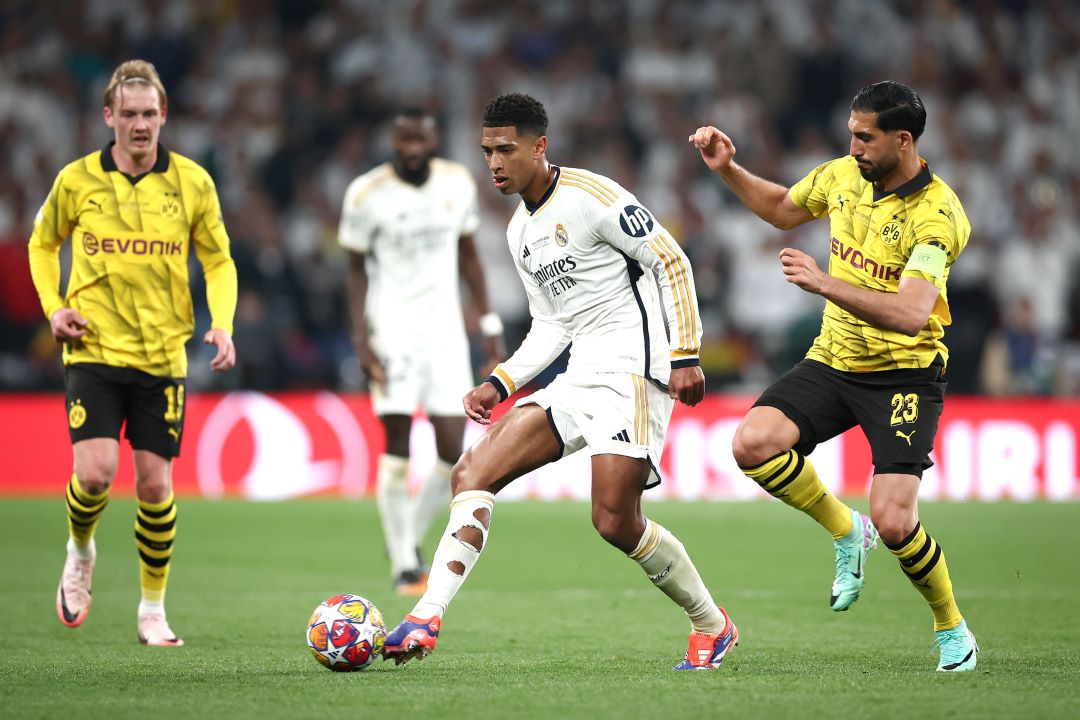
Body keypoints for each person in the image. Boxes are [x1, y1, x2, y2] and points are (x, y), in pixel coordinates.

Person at [382, 93, 738, 671]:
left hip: (632, 372)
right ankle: (426, 614)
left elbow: (671, 260)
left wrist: (685, 355)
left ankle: (711, 623)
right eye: (486, 151)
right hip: (578, 377)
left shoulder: (592, 197)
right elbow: (552, 324)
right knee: (472, 472)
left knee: (612, 520)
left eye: (506, 149)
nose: (494, 162)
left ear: (539, 146)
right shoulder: (520, 231)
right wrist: (500, 383)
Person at [689, 80, 977, 671]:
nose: (853, 147)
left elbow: (911, 314)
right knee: (751, 444)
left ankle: (952, 627)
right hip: (835, 358)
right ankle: (847, 530)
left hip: (904, 374)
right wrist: (728, 169)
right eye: (850, 134)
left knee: (898, 521)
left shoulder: (937, 214)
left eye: (865, 138)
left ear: (903, 139)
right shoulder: (843, 176)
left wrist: (824, 282)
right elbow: (780, 210)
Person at [28, 60, 237, 646]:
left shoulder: (193, 181)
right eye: (129, 114)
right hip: (93, 347)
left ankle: (152, 610)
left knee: (153, 487)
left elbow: (218, 260)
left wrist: (222, 323)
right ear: (109, 116)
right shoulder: (76, 180)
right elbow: (42, 244)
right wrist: (53, 308)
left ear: (163, 115)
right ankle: (80, 550)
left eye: (150, 114)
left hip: (163, 355)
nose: (140, 125)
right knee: (94, 476)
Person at [338, 108, 503, 595]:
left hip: (446, 333)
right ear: (393, 139)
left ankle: (404, 540)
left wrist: (489, 326)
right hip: (392, 332)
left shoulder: (456, 183)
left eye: (420, 139)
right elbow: (353, 269)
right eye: (403, 139)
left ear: (435, 138)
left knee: (453, 451)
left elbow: (470, 257)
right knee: (397, 446)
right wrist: (362, 338)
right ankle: (405, 563)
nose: (412, 149)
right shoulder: (366, 193)